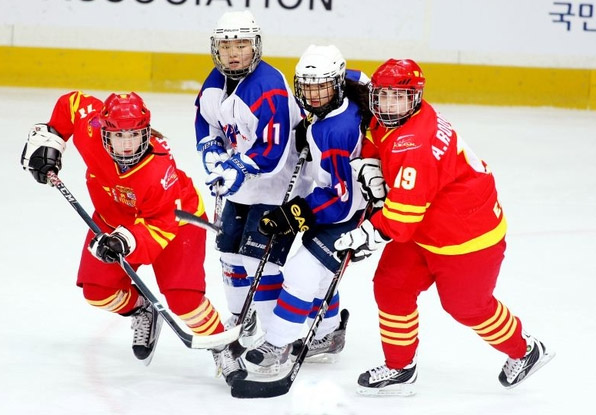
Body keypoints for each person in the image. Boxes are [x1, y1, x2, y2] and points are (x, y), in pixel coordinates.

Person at [334, 59, 555, 396]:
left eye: (399, 96)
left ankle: (525, 350)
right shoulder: (401, 117)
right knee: (392, 286)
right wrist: (370, 164)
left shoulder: (416, 145)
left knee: (467, 307)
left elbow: (400, 222)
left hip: (467, 238)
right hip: (427, 226)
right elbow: (377, 140)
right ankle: (400, 367)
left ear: (416, 97)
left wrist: (365, 233)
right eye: (383, 96)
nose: (389, 105)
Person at [20, 91, 246, 385]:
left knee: (184, 302)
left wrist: (124, 242)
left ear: (146, 132)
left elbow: (161, 225)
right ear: (104, 132)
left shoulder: (158, 169)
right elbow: (71, 104)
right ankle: (142, 309)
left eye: (135, 135)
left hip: (173, 222)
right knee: (97, 292)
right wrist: (52, 139)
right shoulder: (91, 129)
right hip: (114, 216)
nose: (127, 145)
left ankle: (221, 346)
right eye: (119, 136)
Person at [241, 44, 371, 374]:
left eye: (322, 87)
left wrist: (296, 212)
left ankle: (277, 343)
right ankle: (328, 335)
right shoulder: (347, 86)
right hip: (339, 200)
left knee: (302, 274)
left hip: (350, 214)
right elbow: (363, 79)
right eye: (308, 88)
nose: (313, 96)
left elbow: (342, 200)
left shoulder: (336, 132)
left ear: (337, 84)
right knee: (320, 275)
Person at [195, 11, 308, 345]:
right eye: (226, 45)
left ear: (255, 46)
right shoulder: (214, 81)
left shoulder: (268, 87)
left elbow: (272, 154)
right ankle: (241, 318)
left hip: (279, 184)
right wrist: (212, 149)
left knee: (259, 259)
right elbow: (205, 119)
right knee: (229, 253)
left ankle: (276, 335)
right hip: (241, 183)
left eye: (241, 45)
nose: (233, 52)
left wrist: (236, 168)